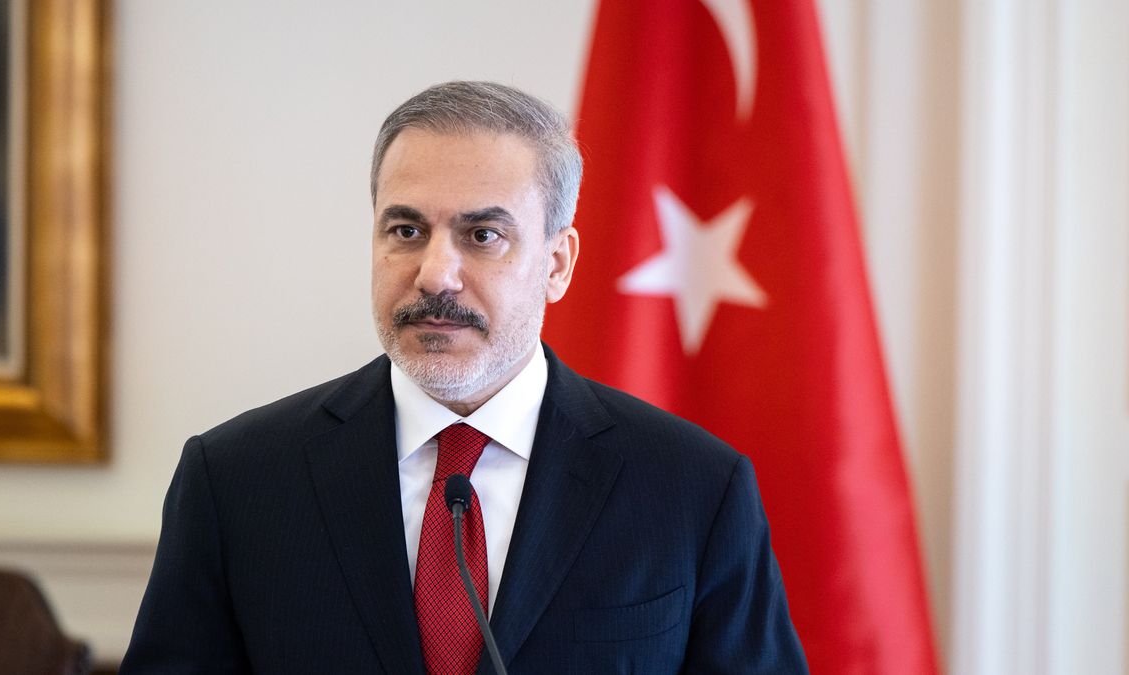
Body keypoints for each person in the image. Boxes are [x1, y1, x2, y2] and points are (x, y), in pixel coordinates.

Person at [122, 81, 807, 674]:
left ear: (557, 263)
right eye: (406, 230)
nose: (434, 274)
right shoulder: (237, 480)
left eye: (482, 235)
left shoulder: (693, 490)